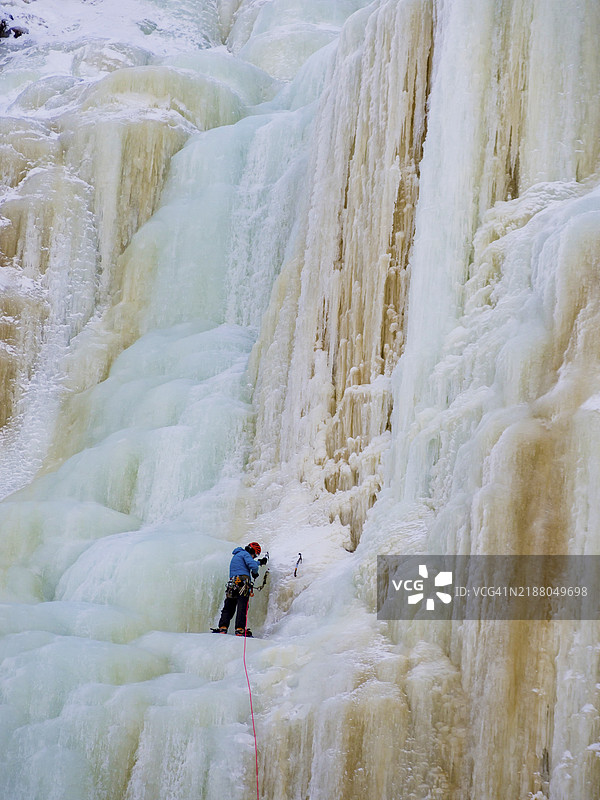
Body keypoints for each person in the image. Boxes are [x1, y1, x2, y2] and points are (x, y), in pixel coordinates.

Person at [214, 542, 268, 637]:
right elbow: (253, 566)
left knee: (229, 606)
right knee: (242, 606)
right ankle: (240, 629)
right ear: (252, 551)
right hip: (243, 583)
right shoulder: (246, 554)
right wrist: (255, 572)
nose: (253, 557)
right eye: (254, 555)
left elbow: (251, 563)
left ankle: (223, 627)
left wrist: (260, 562)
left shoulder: (238, 555)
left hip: (233, 583)